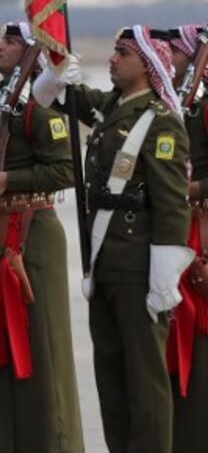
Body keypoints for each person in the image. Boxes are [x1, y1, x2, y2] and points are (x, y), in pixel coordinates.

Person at [34, 25, 193, 452]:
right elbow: (54, 96)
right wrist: (57, 69)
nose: (112, 58)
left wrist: (164, 274)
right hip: (104, 262)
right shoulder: (111, 107)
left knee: (145, 380)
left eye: (122, 53)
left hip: (139, 265)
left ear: (147, 64)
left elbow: (172, 203)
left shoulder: (160, 123)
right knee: (112, 378)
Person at [0, 22, 83, 452]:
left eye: (11, 41)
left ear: (31, 54)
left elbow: (68, 170)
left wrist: (8, 180)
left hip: (31, 240)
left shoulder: (40, 110)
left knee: (41, 353)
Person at [161, 24, 208, 453]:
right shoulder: (173, 106)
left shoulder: (202, 106)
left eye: (173, 50)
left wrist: (187, 189)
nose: (166, 57)